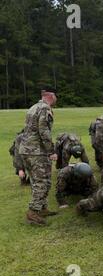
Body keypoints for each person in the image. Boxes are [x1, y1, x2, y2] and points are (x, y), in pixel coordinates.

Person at [19, 87, 59, 225]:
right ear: (51, 96)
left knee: (36, 181)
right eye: (56, 96)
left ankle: (42, 208)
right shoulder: (44, 109)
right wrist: (51, 151)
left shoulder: (33, 107)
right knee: (42, 181)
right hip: (37, 151)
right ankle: (33, 212)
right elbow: (44, 131)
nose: (56, 99)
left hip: (26, 150)